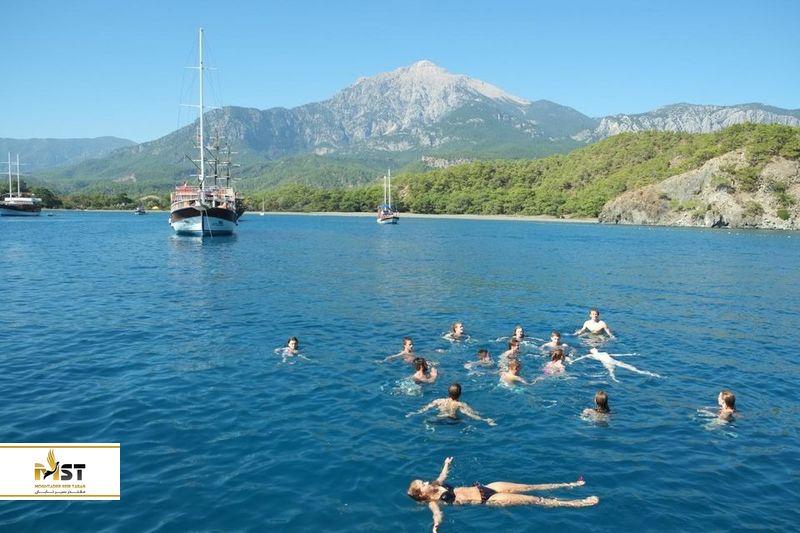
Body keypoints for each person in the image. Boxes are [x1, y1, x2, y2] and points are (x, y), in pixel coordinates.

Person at [407, 457, 598, 532]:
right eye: (422, 485)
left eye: (423, 481)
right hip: (488, 499)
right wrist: (436, 528)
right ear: (422, 495)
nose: (426, 482)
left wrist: (446, 464)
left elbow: (442, 476)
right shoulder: (433, 502)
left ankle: (569, 484)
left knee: (530, 487)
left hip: (487, 487)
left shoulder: (436, 484)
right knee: (535, 499)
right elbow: (437, 515)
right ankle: (577, 503)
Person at [407, 383, 496, 426]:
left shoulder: (439, 401)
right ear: (460, 394)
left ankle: (430, 426)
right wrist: (485, 419)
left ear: (448, 392)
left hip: (439, 418)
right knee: (464, 422)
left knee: (429, 422)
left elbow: (426, 408)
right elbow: (470, 414)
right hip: (452, 420)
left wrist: (415, 413)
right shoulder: (460, 404)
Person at [570, 348, 659, 383]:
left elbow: (617, 355)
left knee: (633, 368)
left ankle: (650, 373)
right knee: (611, 373)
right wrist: (573, 361)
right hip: (607, 363)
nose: (594, 348)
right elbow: (581, 358)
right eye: (592, 349)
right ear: (591, 351)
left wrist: (630, 354)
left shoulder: (604, 352)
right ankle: (614, 379)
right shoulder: (590, 355)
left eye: (594, 348)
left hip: (615, 361)